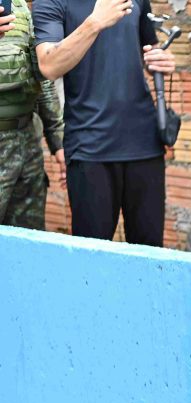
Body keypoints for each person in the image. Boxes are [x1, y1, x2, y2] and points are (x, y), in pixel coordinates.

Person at [32, 0, 175, 245]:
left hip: (144, 144)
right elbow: (49, 65)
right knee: (91, 261)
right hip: (90, 147)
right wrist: (95, 22)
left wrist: (161, 60)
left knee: (151, 258)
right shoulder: (51, 1)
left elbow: (148, 50)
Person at [0, 0, 64, 230]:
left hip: (27, 145)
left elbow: (41, 78)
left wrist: (58, 141)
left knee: (28, 241)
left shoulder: (19, 7)